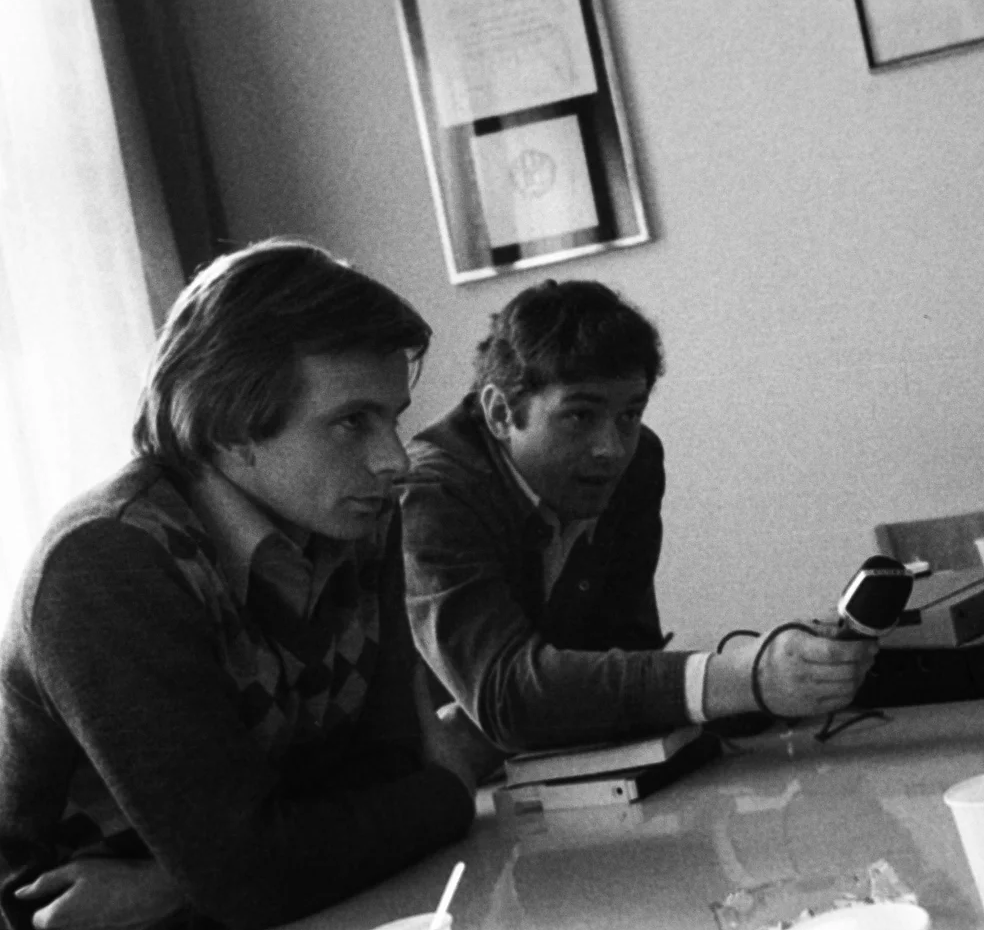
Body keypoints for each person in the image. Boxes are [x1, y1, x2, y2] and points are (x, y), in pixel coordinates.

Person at [0, 240, 498, 930]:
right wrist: (445, 795)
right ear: (231, 429)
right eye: (352, 422)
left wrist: (179, 882)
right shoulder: (105, 563)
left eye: (394, 417)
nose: (395, 460)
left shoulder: (356, 522)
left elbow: (385, 772)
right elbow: (254, 875)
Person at [401, 280, 877, 754]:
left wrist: (782, 675)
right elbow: (507, 697)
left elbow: (625, 651)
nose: (611, 449)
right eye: (579, 416)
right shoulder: (432, 494)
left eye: (630, 414)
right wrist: (743, 677)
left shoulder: (638, 461)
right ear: (500, 413)